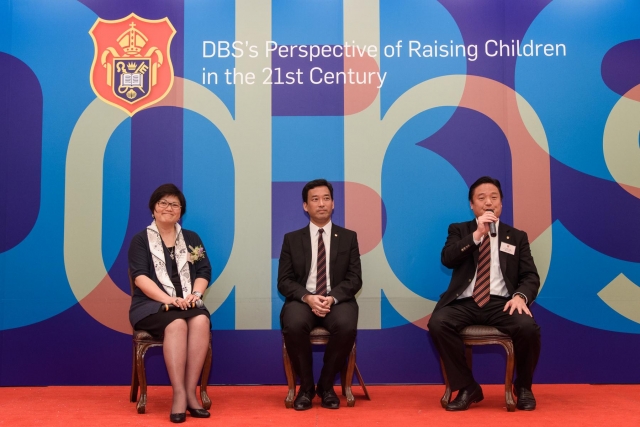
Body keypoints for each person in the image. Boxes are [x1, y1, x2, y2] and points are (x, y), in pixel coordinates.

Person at [428, 176, 541, 411]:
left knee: (528, 327)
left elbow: (530, 276)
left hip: (502, 303)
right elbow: (447, 259)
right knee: (438, 323)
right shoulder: (459, 230)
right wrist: (477, 235)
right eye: (481, 198)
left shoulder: (516, 236)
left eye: (494, 197)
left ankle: (523, 387)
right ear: (472, 204)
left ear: (501, 203)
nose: (488, 202)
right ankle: (467, 387)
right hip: (465, 302)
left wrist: (520, 296)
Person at [129, 183, 212, 423]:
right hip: (151, 304)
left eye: (175, 204)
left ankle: (190, 392)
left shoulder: (191, 238)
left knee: (201, 320)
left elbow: (204, 270)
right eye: (163, 203)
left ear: (181, 211)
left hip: (187, 301)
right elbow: (140, 278)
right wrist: (169, 299)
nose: (169, 208)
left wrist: (195, 294)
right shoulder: (140, 240)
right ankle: (178, 395)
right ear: (153, 208)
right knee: (176, 324)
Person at [277, 179, 362, 410]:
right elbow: (284, 281)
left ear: (333, 203)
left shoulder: (348, 237)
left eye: (326, 198)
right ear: (305, 206)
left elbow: (355, 279)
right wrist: (308, 297)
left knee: (346, 325)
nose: (321, 204)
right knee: (294, 324)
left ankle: (326, 386)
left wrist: (331, 298)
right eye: (315, 199)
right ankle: (305, 388)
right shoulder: (292, 239)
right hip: (303, 300)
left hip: (337, 300)